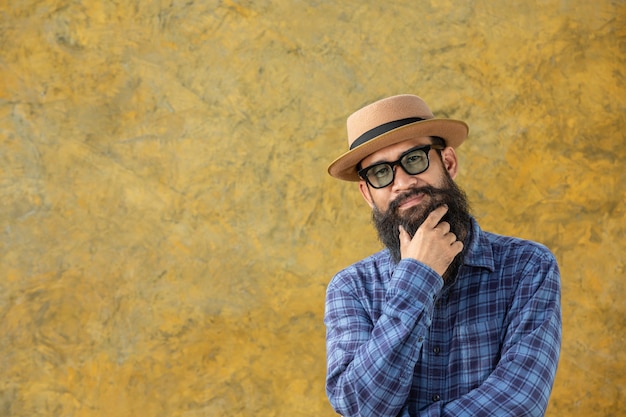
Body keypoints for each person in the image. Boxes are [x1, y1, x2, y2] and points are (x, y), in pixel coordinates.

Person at [324, 94, 561, 416]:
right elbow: (360, 406)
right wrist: (418, 278)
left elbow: (520, 402)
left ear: (448, 163)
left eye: (414, 160)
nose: (403, 183)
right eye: (380, 173)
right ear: (368, 193)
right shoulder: (351, 287)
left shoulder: (528, 266)